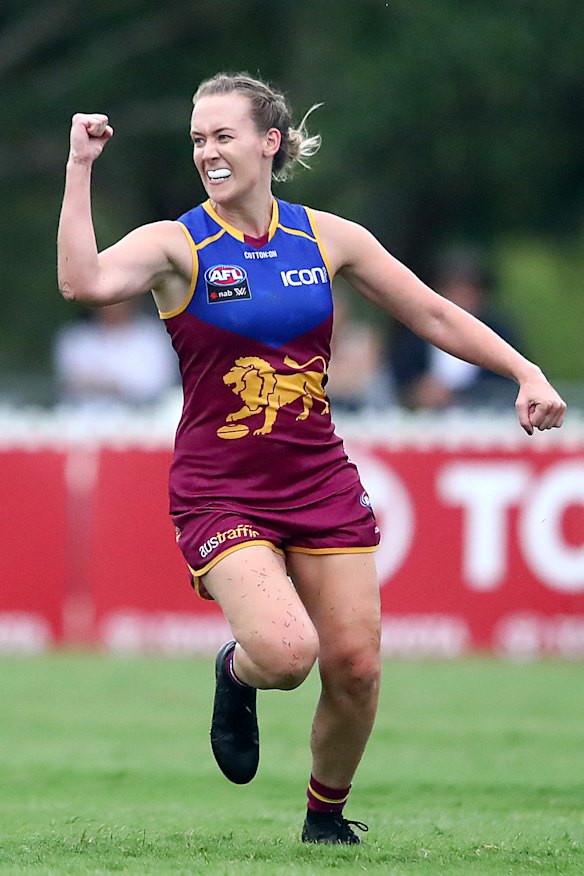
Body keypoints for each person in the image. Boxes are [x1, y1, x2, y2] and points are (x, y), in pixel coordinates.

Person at [57, 72, 566, 845]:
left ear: (270, 142)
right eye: (198, 139)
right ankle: (237, 671)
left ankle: (324, 822)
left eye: (222, 136)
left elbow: (429, 310)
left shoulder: (327, 237)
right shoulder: (177, 243)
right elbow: (81, 281)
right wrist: (80, 166)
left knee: (356, 668)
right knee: (288, 654)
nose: (207, 152)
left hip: (319, 482)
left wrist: (524, 371)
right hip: (221, 490)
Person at [389, 249, 521, 410]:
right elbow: (399, 377)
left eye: (469, 291)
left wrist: (459, 394)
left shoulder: (501, 334)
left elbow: (508, 384)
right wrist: (418, 390)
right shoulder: (416, 332)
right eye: (455, 289)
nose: (462, 297)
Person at [53, 298, 179, 411]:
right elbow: (69, 385)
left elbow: (157, 388)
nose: (112, 304)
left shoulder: (154, 338)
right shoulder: (76, 339)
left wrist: (107, 385)